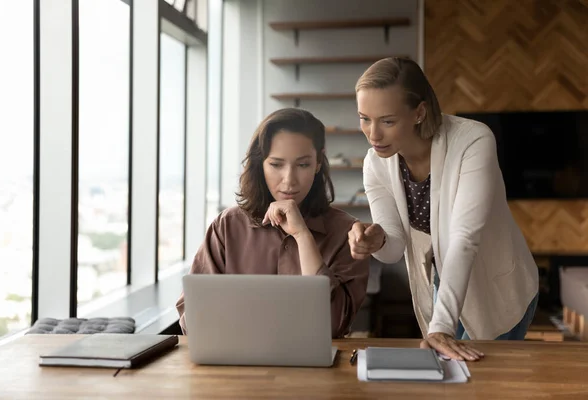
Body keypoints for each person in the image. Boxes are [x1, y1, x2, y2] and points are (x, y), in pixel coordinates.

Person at [348, 57, 539, 361]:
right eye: (364, 118)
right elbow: (395, 247)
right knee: (449, 380)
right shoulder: (376, 163)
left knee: (488, 384)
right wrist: (377, 239)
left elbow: (464, 237)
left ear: (419, 112)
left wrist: (440, 328)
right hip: (444, 280)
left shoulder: (473, 140)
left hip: (497, 286)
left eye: (387, 121)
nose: (373, 135)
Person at [176, 108, 370, 338]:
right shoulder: (227, 226)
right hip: (236, 365)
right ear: (261, 164)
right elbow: (191, 322)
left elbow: (332, 326)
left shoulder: (346, 232)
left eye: (303, 165)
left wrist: (302, 236)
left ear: (318, 162)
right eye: (276, 164)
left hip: (316, 371)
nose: (289, 180)